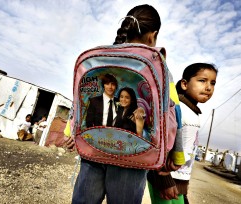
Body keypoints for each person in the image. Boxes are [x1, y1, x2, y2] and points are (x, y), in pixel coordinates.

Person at [66, 4, 174, 204]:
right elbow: (171, 112)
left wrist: (72, 132)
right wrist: (172, 154)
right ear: (153, 36)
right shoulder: (160, 67)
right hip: (133, 158)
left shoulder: (99, 59)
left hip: (93, 150)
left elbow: (77, 102)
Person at [148, 63, 218, 204]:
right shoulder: (176, 109)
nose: (209, 87)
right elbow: (160, 145)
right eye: (202, 81)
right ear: (185, 84)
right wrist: (165, 181)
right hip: (165, 179)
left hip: (179, 180)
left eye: (213, 83)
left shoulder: (192, 111)